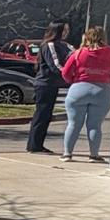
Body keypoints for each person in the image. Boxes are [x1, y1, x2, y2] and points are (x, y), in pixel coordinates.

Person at [60, 26, 110, 162]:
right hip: (102, 91)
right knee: (95, 125)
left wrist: (73, 81)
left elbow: (65, 72)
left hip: (79, 89)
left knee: (73, 124)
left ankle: (67, 154)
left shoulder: (78, 53)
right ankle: (94, 155)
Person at [26, 20, 72, 153]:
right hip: (45, 84)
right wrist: (69, 76)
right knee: (42, 114)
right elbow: (55, 65)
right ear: (57, 31)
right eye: (64, 30)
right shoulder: (49, 45)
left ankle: (38, 144)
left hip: (53, 85)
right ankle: (34, 145)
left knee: (47, 115)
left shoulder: (65, 45)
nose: (66, 33)